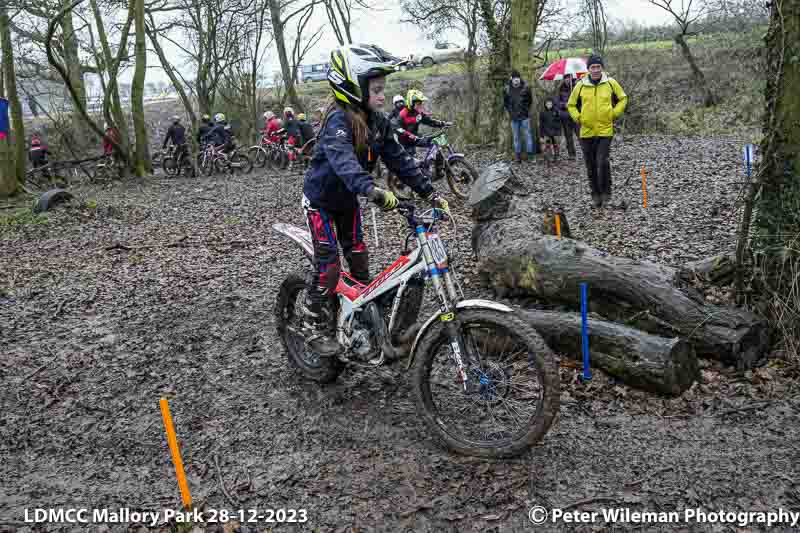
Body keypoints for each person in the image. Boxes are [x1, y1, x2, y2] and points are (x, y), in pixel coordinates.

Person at [302, 44, 449, 356]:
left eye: (384, 90)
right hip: (321, 204)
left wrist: (429, 192)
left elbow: (399, 159)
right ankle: (313, 320)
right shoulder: (336, 122)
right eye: (377, 90)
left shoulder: (378, 121)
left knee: (359, 260)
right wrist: (372, 190)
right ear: (353, 86)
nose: (383, 96)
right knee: (328, 268)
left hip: (348, 202)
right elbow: (345, 164)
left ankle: (359, 320)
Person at [567, 54, 627, 207]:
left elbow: (623, 98)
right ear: (588, 69)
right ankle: (595, 195)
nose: (595, 70)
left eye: (598, 67)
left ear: (602, 68)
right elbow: (571, 105)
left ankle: (606, 192)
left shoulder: (611, 83)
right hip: (586, 131)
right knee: (591, 164)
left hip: (605, 130)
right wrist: (578, 118)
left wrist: (614, 113)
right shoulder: (580, 85)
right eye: (592, 67)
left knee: (602, 162)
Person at [394, 89, 451, 157]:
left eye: (421, 103)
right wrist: (410, 135)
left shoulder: (418, 113)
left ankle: (437, 164)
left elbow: (429, 121)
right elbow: (398, 129)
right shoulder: (402, 114)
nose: (420, 105)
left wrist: (442, 124)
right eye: (418, 104)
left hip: (415, 137)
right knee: (411, 161)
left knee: (434, 143)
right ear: (412, 103)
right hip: (405, 142)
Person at [503, 69, 535, 163]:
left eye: (518, 78)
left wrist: (525, 110)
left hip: (525, 117)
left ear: (520, 78)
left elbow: (530, 101)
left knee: (528, 136)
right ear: (511, 79)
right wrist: (510, 112)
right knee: (516, 138)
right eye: (514, 78)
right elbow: (506, 103)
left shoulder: (526, 88)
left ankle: (530, 156)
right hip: (514, 118)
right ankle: (518, 156)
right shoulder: (507, 89)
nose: (516, 80)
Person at [557, 77, 578, 160]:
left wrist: (574, 103)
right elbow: (557, 102)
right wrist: (564, 105)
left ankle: (586, 152)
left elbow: (580, 100)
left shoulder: (576, 87)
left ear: (571, 78)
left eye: (568, 78)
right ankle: (571, 154)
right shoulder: (560, 89)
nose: (567, 80)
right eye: (565, 78)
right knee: (568, 136)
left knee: (580, 134)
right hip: (565, 116)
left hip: (575, 115)